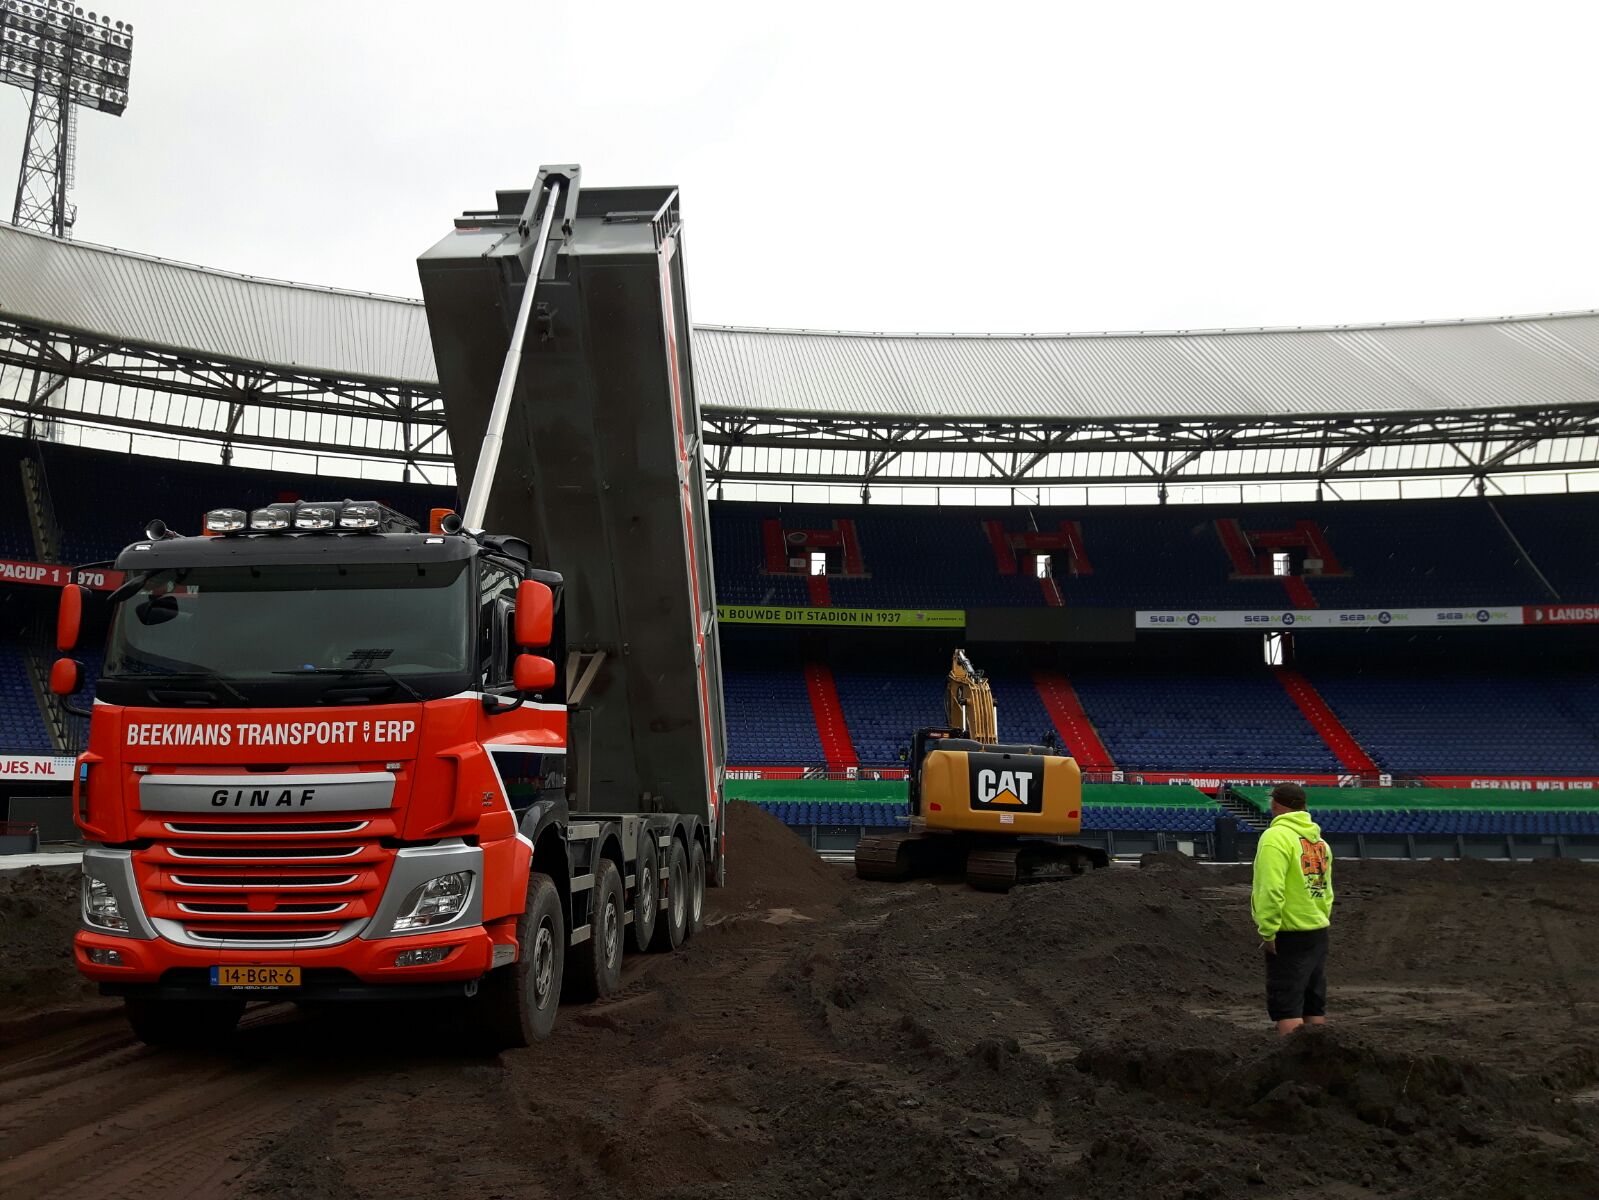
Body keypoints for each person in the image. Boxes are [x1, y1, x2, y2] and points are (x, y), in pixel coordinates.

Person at [1250, 782, 1333, 1036]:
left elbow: (1270, 888)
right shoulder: (1320, 841)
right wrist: (1320, 916)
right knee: (1312, 999)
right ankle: (1320, 1062)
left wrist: (1268, 931)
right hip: (1317, 929)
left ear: (1275, 804)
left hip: (1289, 931)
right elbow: (1327, 890)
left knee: (1286, 1004)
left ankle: (1294, 1066)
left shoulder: (1275, 837)